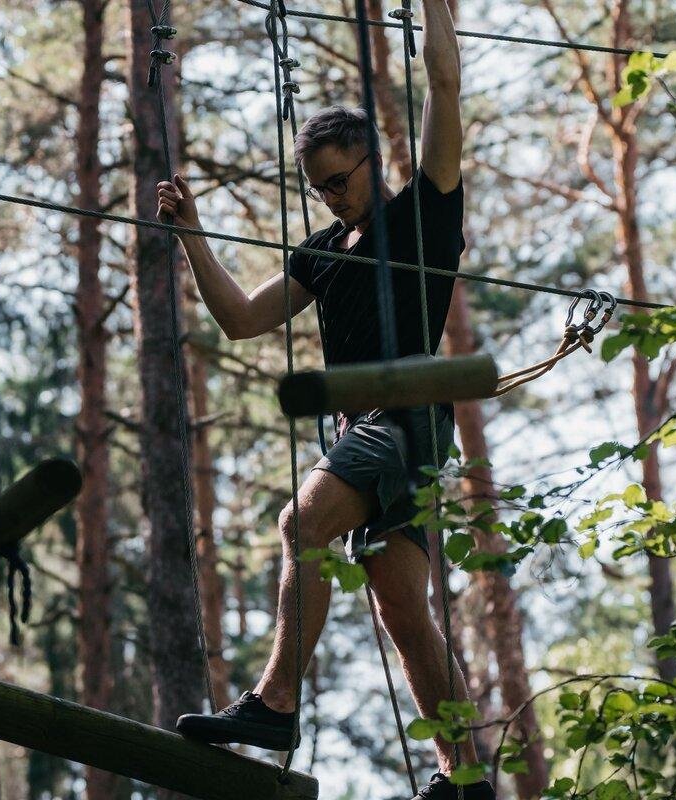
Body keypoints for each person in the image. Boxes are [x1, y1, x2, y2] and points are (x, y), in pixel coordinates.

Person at [155, 0, 492, 795]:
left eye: (341, 180)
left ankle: (275, 701)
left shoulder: (425, 215)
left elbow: (445, 85)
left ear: (375, 159)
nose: (332, 197)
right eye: (319, 188)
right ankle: (468, 777)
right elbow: (241, 320)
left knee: (299, 521)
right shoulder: (319, 252)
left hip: (404, 415)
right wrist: (192, 235)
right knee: (402, 612)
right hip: (371, 429)